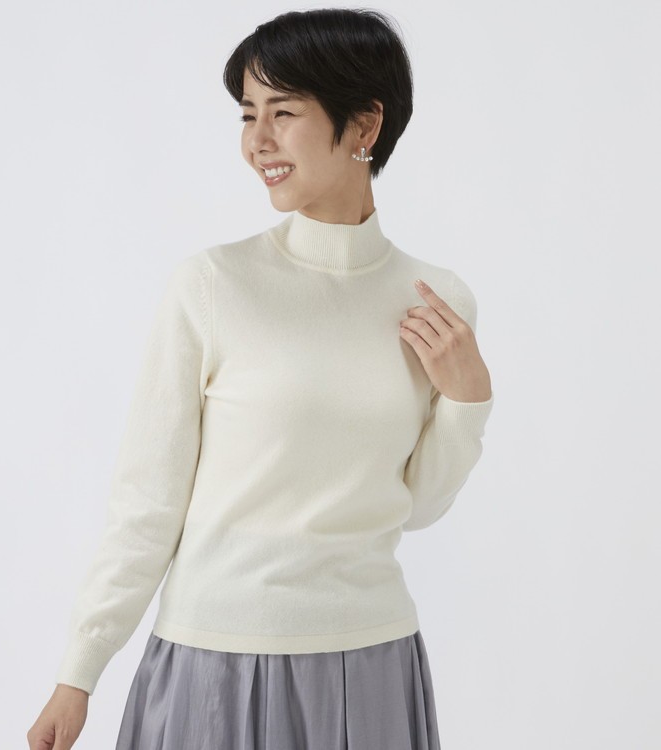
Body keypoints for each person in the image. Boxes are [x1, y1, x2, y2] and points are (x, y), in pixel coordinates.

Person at [27, 7, 494, 750]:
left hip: (371, 658)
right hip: (215, 658)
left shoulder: (437, 302)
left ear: (365, 124)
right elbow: (149, 501)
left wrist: (468, 401)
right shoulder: (213, 285)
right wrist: (79, 671)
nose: (257, 141)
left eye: (284, 112)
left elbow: (419, 505)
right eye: (248, 115)